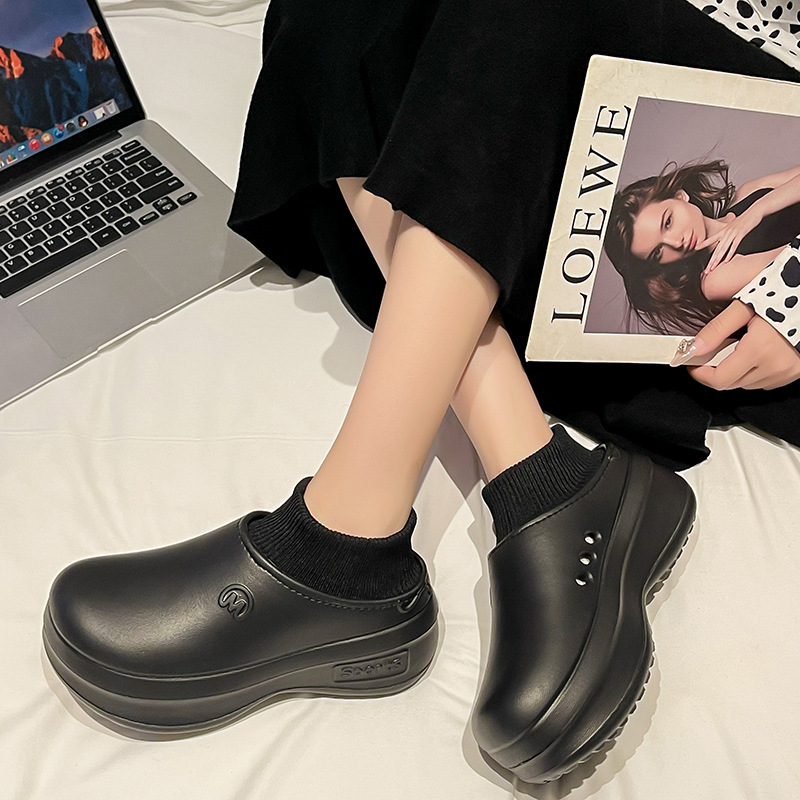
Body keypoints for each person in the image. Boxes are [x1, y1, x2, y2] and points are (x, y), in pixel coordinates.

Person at [40, 0, 800, 786]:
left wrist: (793, 291)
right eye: (666, 232)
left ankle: (343, 541)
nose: (678, 238)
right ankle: (538, 474)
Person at [604, 159, 800, 335]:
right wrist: (758, 210)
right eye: (657, 252)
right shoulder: (715, 279)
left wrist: (758, 210)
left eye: (668, 222)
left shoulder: (748, 192)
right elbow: (796, 257)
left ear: (680, 196)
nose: (676, 242)